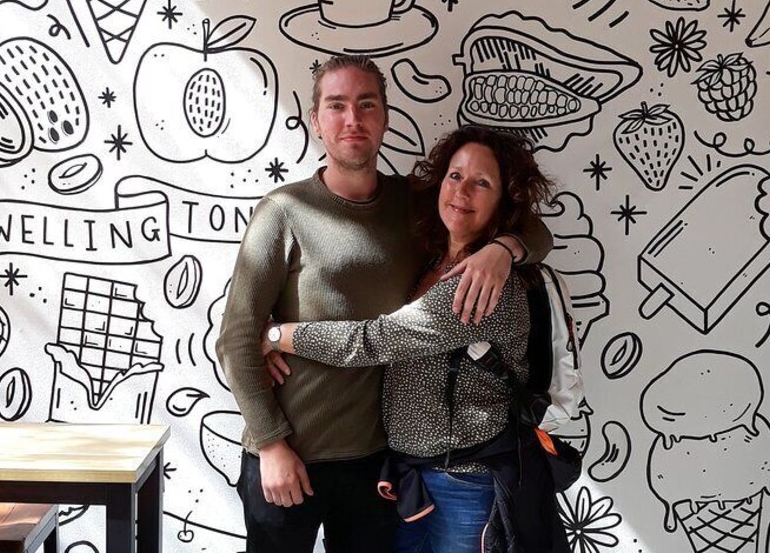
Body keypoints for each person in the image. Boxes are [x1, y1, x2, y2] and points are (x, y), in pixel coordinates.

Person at [216, 55, 553, 553]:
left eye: (366, 104)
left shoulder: (418, 203)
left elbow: (531, 226)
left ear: (385, 118)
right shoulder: (283, 211)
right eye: (337, 106)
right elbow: (235, 340)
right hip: (289, 455)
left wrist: (504, 249)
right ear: (316, 121)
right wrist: (269, 443)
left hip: (376, 464)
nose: (353, 119)